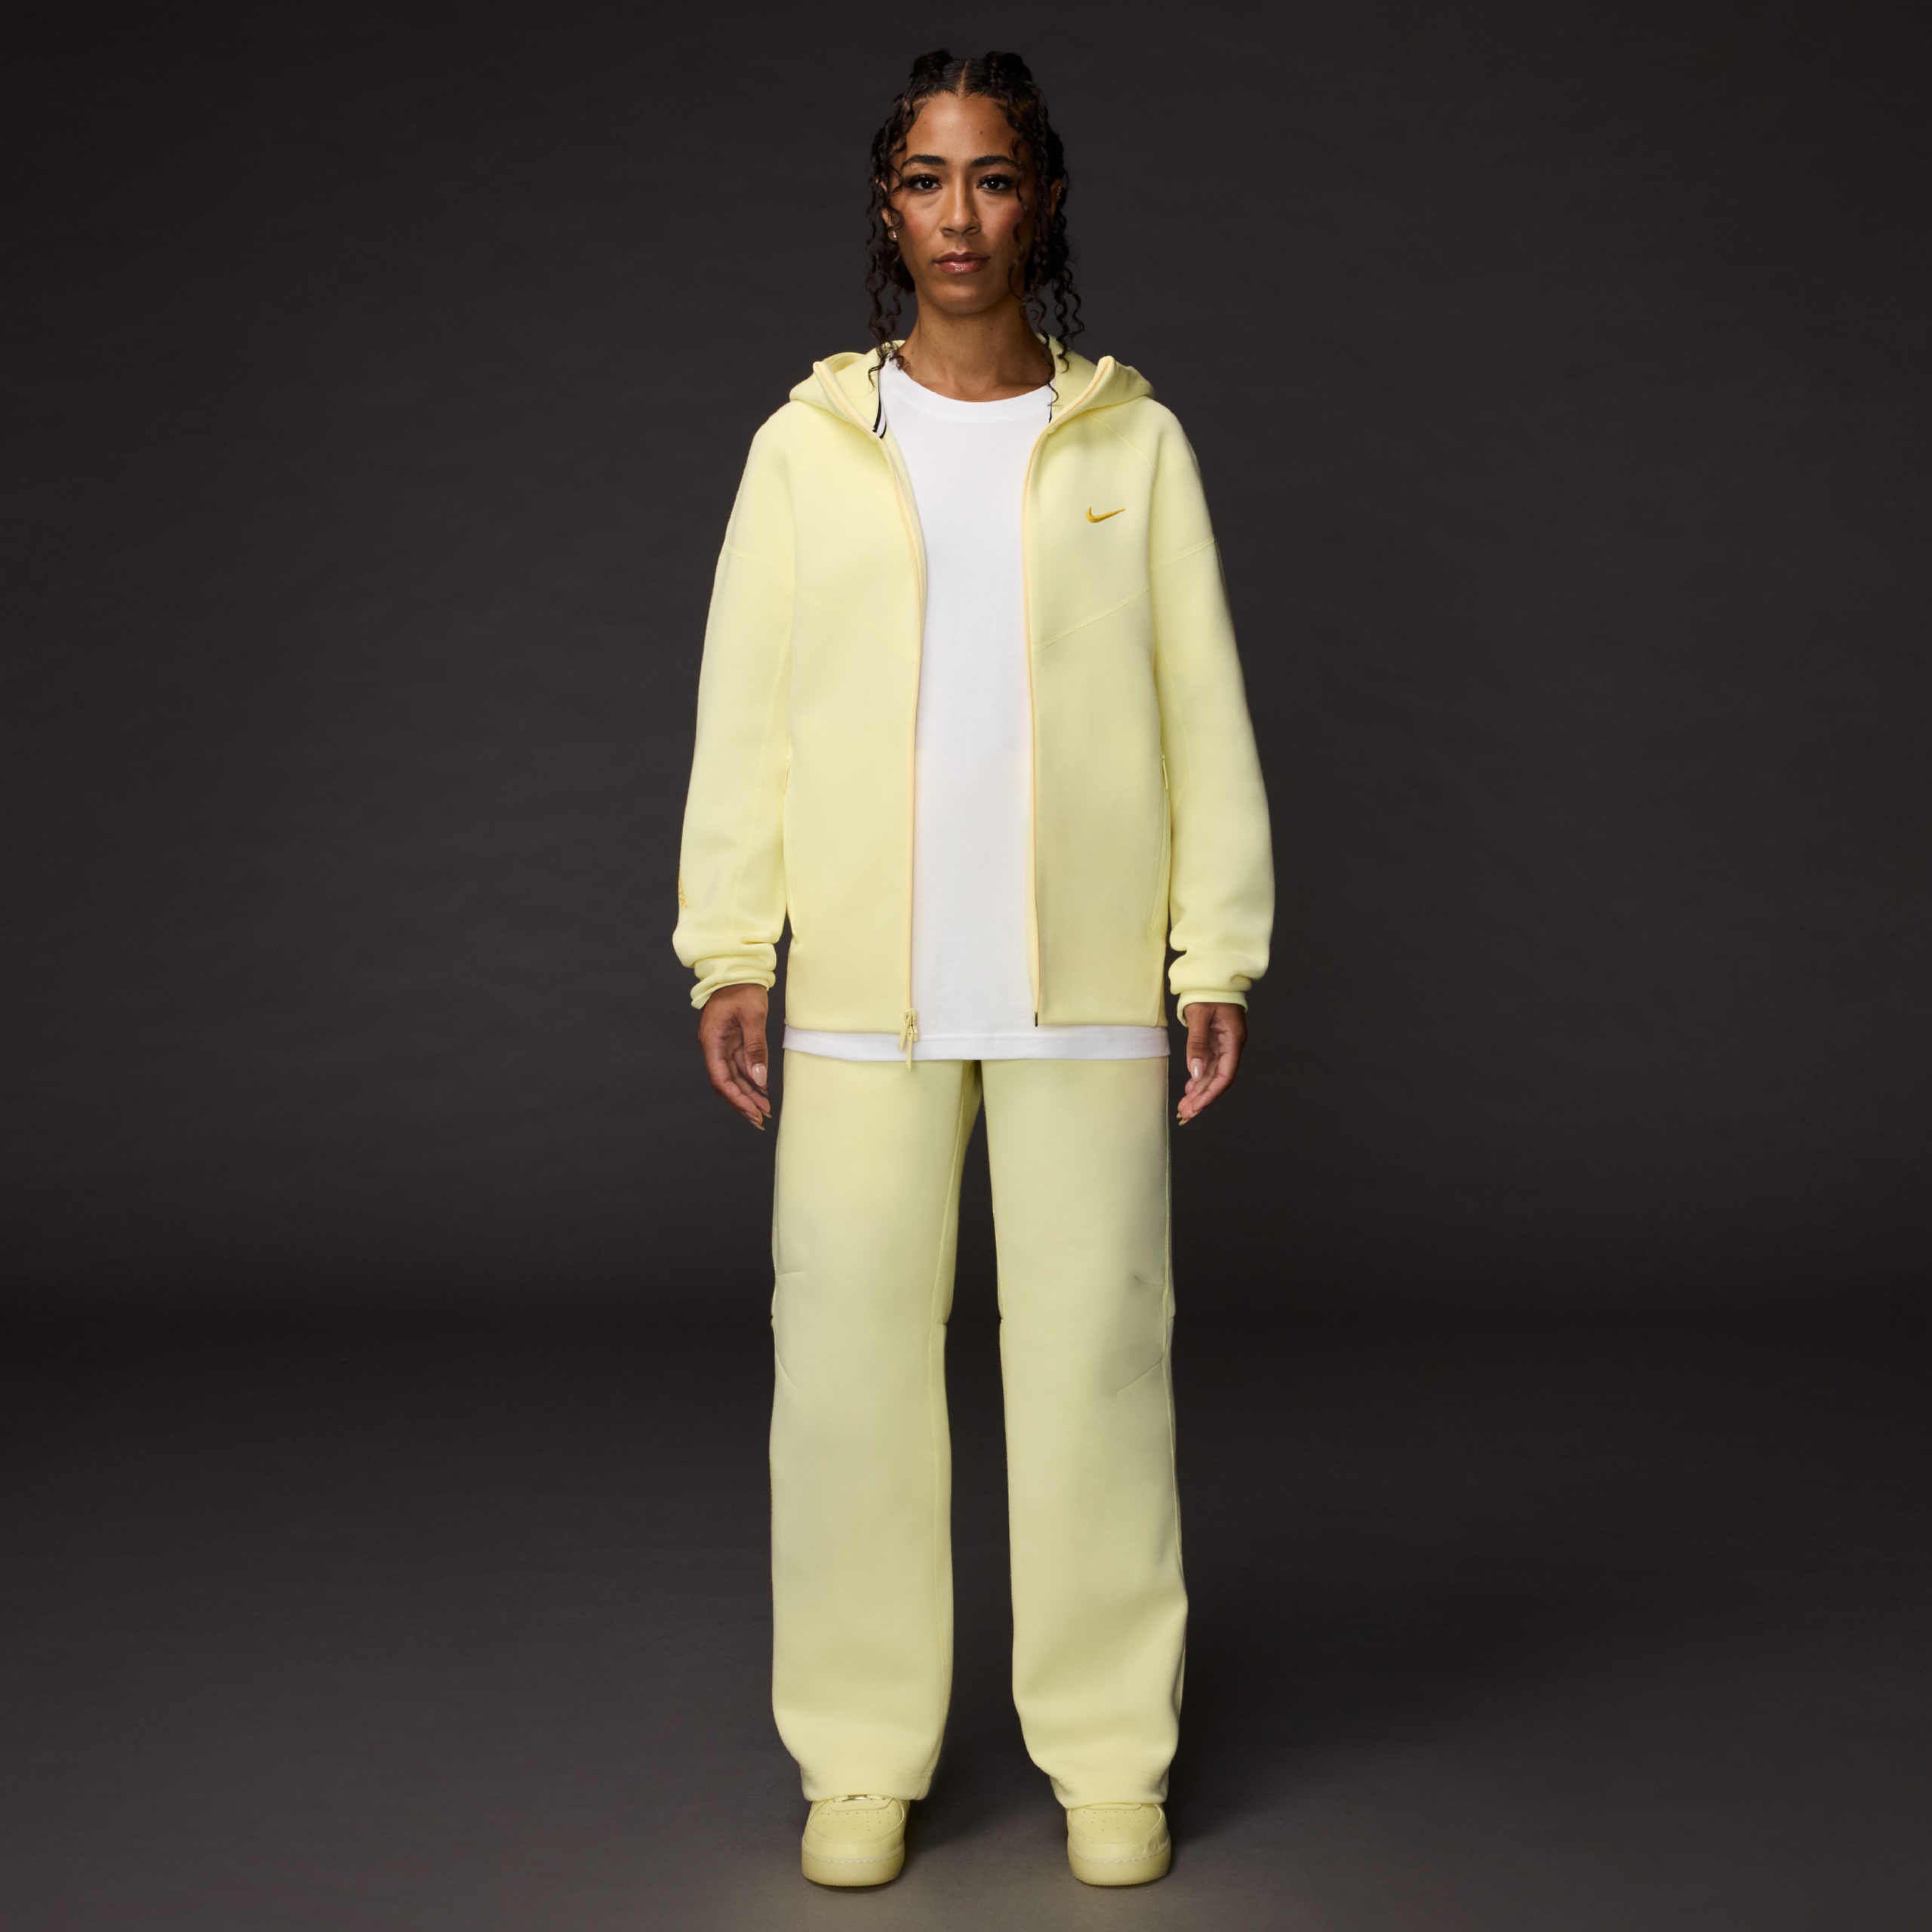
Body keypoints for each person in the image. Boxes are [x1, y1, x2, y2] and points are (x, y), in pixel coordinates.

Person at [672, 48, 1272, 1890]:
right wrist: (730, 945)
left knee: (1096, 1373)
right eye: (925, 179)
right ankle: (859, 1754)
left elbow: (1200, 705)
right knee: (844, 1378)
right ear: (887, 205)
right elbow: (744, 715)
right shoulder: (804, 450)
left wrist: (1215, 948)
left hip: (1082, 994)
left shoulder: (1133, 448)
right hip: (863, 999)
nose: (959, 215)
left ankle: (1107, 1752)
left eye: (991, 177)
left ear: (1043, 200)